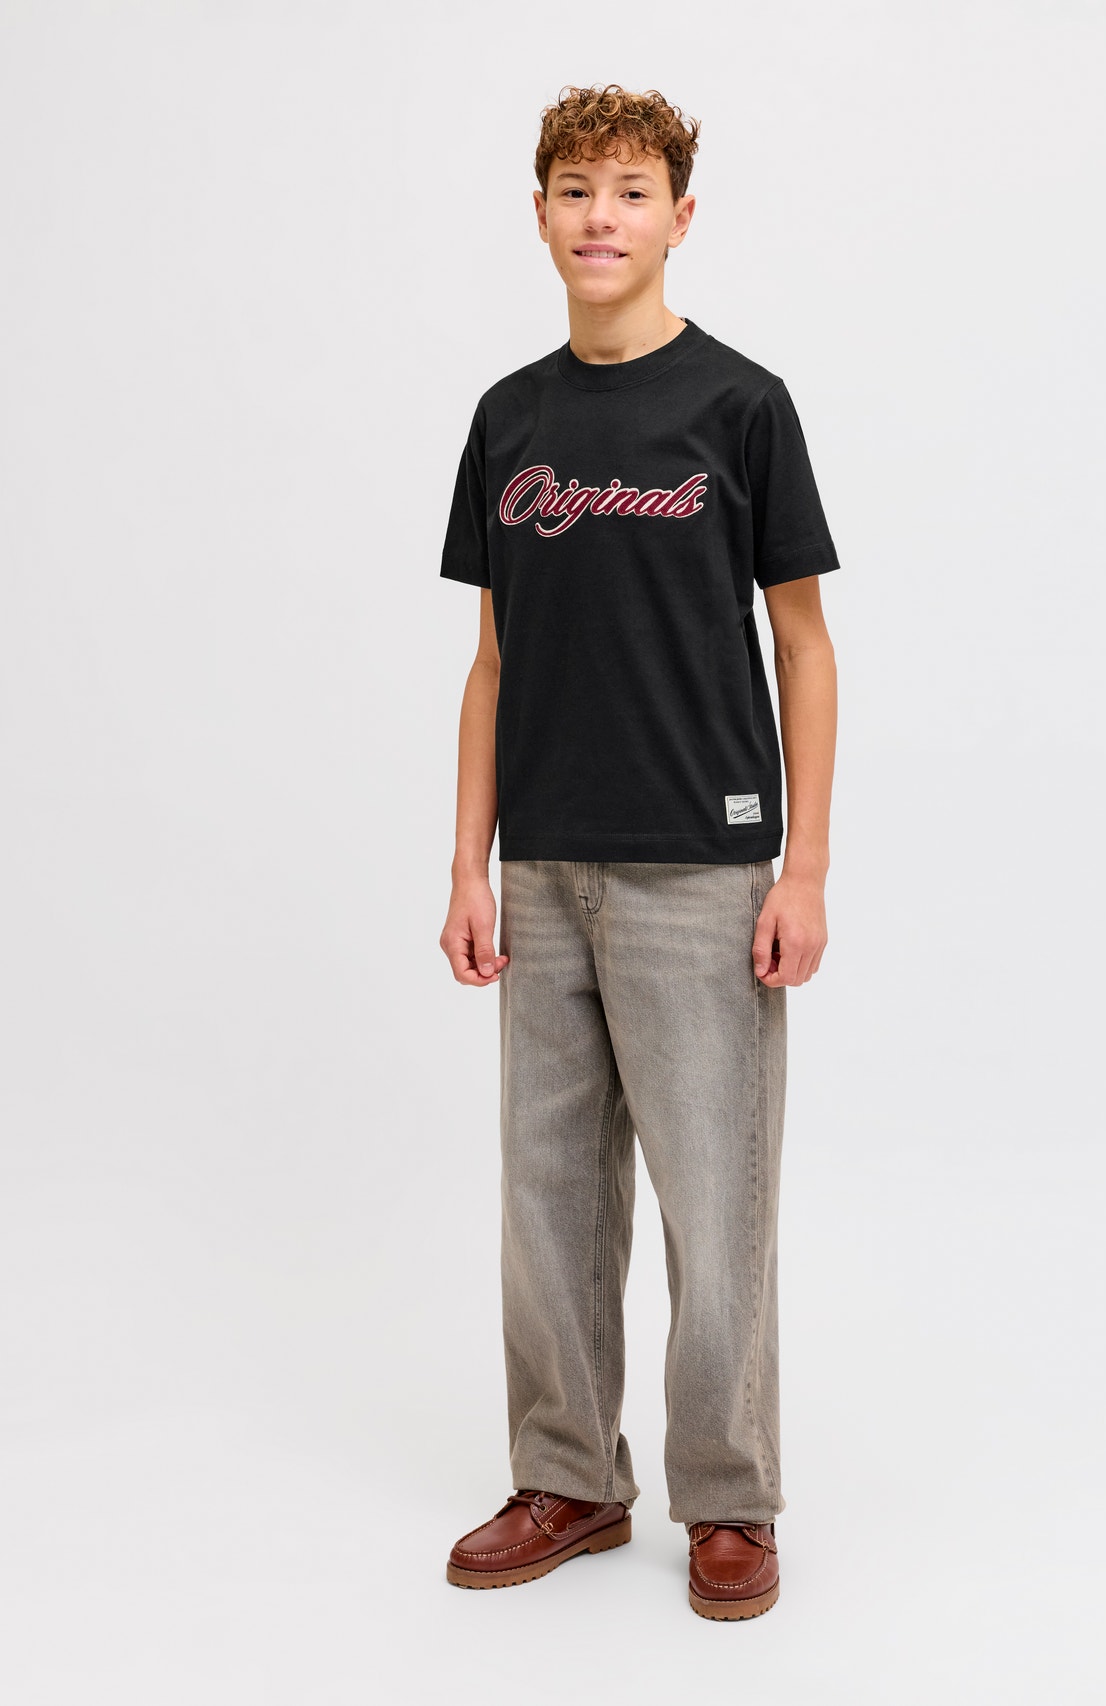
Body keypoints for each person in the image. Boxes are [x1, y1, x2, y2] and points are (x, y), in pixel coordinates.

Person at [437, 82, 840, 1621]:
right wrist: (468, 862)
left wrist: (803, 867)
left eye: (628, 190)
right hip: (543, 868)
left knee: (713, 1201)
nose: (600, 216)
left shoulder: (741, 406)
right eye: (574, 189)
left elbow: (805, 645)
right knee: (546, 1197)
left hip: (703, 862)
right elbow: (490, 660)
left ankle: (729, 1498)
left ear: (680, 215)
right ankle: (569, 1477)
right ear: (539, 214)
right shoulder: (509, 420)